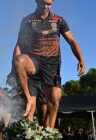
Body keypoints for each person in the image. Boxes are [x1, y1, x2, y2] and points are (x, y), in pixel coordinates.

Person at [9, 0, 85, 128]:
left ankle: (47, 133)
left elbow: (72, 41)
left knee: (54, 102)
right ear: (37, 1)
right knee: (19, 60)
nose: (45, 6)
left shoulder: (59, 20)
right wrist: (13, 70)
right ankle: (27, 100)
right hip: (33, 61)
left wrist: (81, 60)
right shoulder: (27, 20)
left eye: (49, 4)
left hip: (51, 65)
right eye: (43, 3)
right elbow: (19, 45)